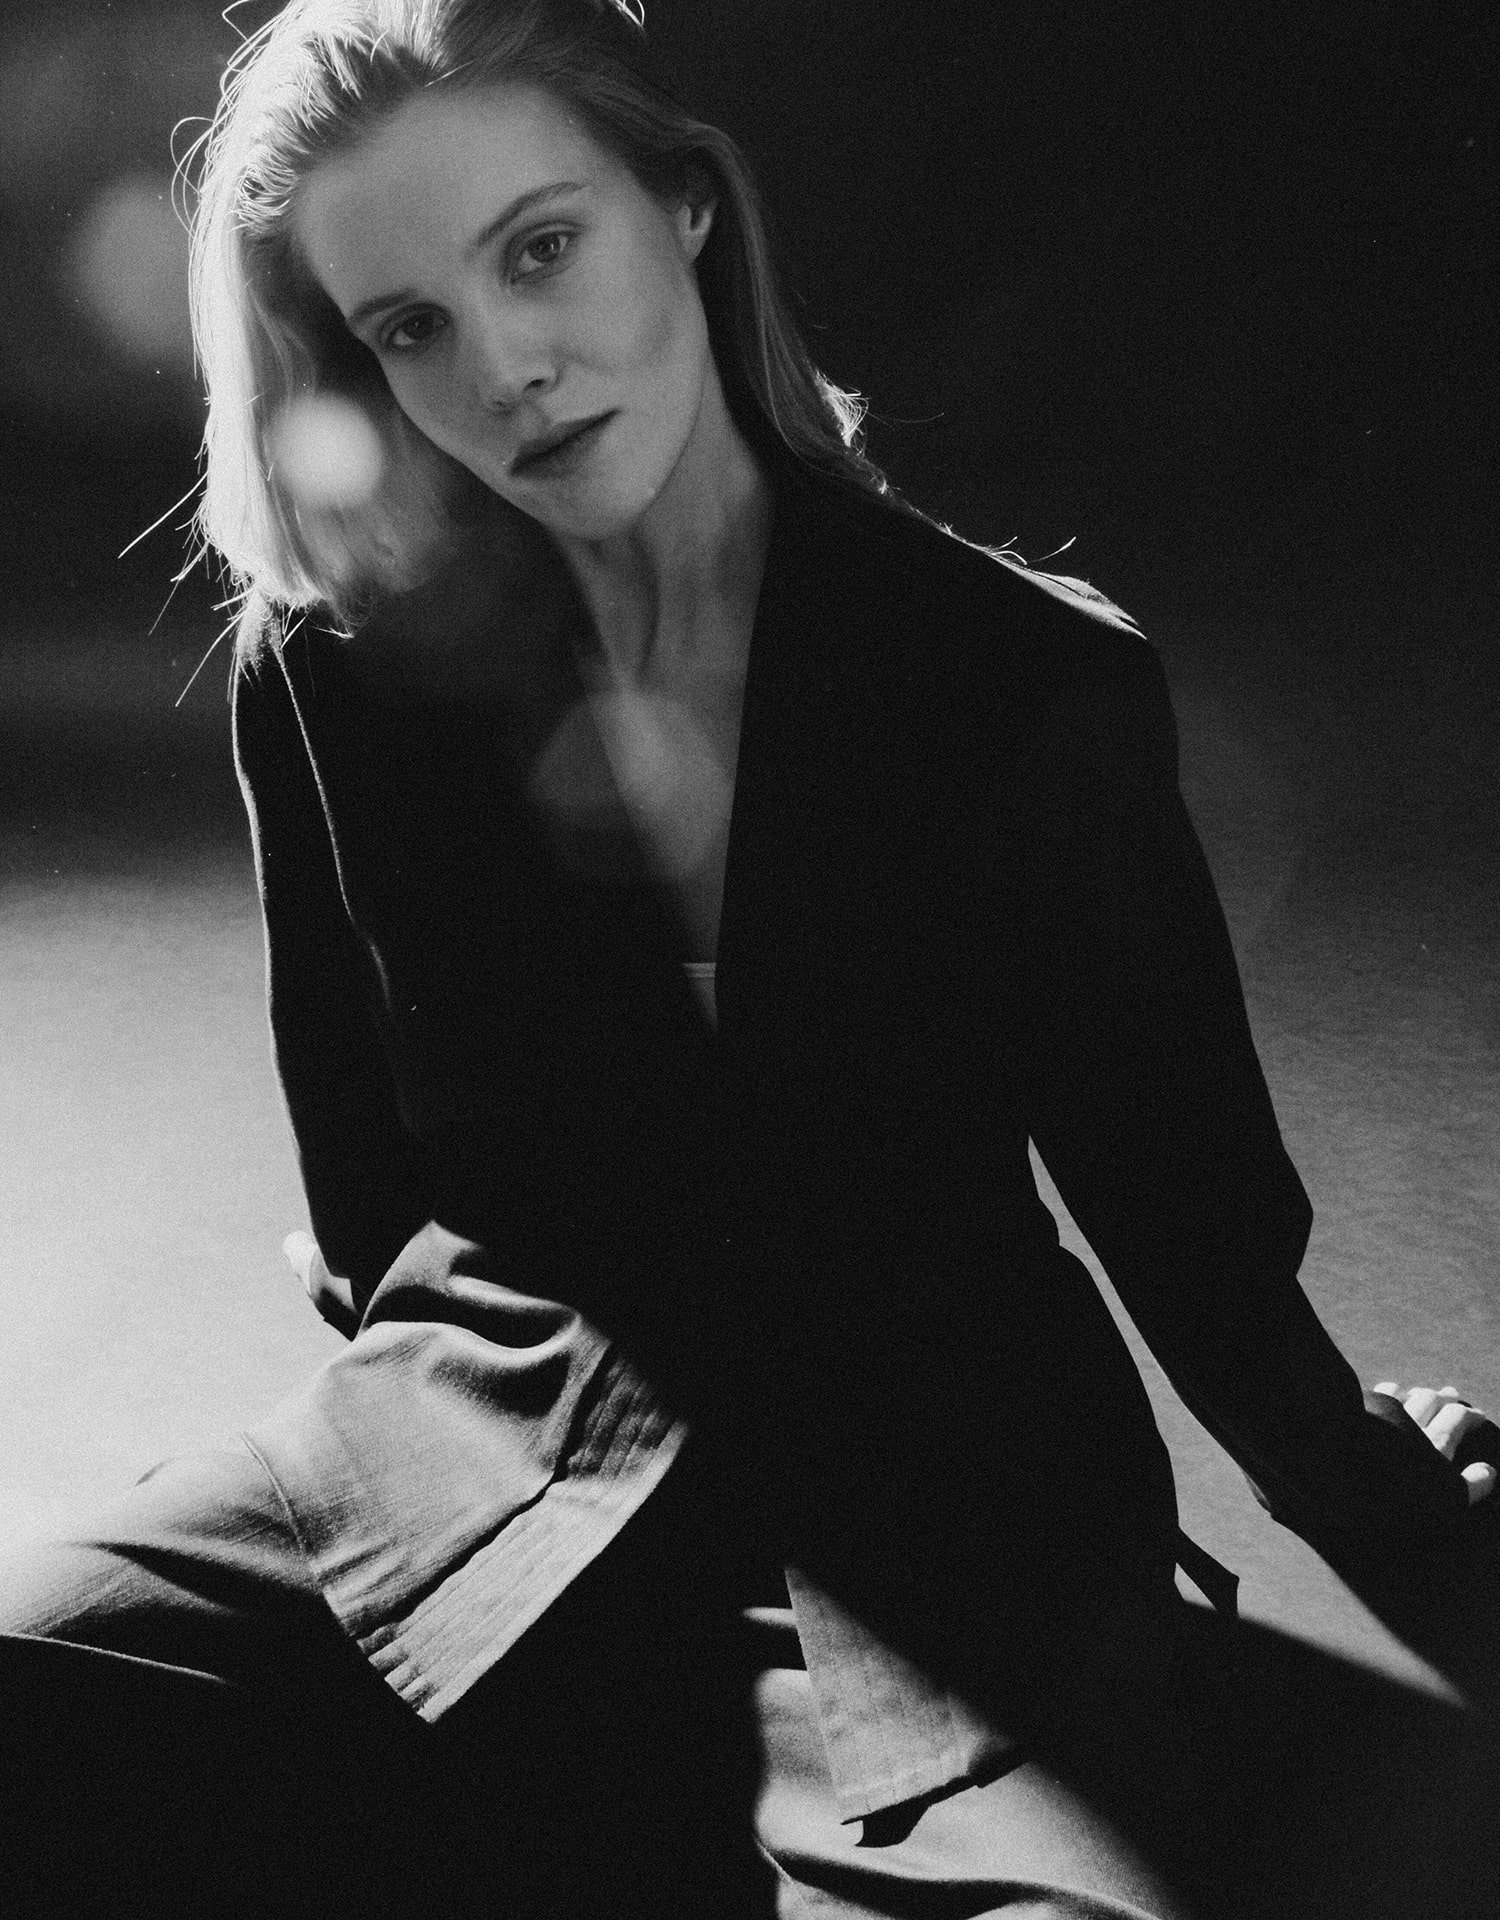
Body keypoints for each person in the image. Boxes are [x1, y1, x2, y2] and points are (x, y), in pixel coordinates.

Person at [2, 2, 1495, 1914]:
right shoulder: (336, 676)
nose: (505, 368)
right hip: (476, 1464)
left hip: (947, 1527)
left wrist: (1362, 1476)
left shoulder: (1020, 678)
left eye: (541, 248)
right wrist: (403, 1353)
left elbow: (1186, 1212)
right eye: (410, 327)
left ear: (688, 208)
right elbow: (367, 1168)